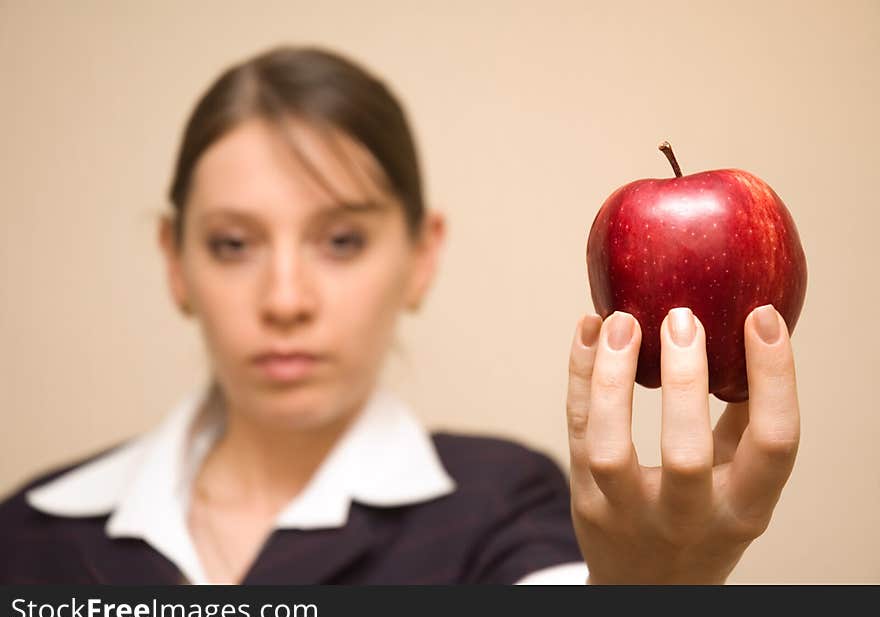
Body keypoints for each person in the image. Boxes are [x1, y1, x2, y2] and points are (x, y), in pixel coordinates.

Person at [0, 46, 800, 585]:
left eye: (342, 240)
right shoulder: (27, 539)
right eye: (234, 243)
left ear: (421, 255)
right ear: (175, 261)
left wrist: (645, 601)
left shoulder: (511, 510)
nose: (286, 300)